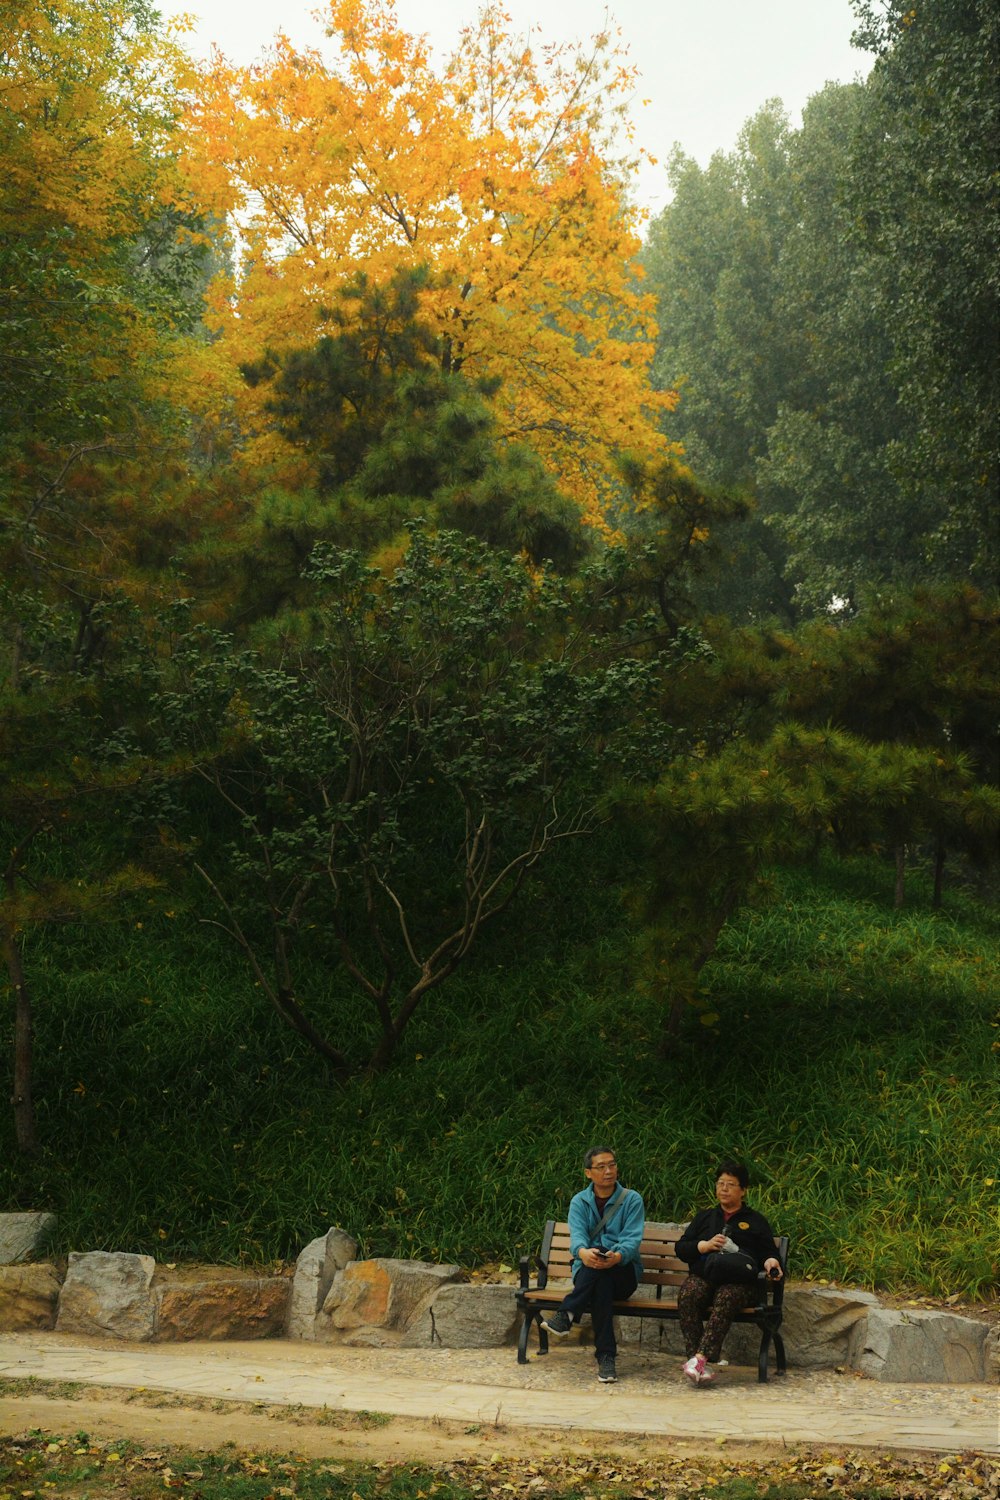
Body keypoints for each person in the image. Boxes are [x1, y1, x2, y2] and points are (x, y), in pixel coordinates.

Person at [540, 1145, 645, 1383]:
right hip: (591, 1271)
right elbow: (577, 1237)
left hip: (623, 1273)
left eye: (612, 1165)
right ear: (588, 1173)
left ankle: (567, 1313)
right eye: (601, 1167)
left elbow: (631, 1239)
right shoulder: (580, 1201)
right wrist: (583, 1252)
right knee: (600, 1285)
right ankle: (606, 1359)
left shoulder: (632, 1199)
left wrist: (615, 1257)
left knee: (604, 1270)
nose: (608, 1171)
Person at [675, 1159, 783, 1386]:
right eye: (720, 1183)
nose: (723, 1189)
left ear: (743, 1190)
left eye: (730, 1184)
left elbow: (769, 1253)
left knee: (727, 1295)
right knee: (689, 1293)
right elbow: (682, 1248)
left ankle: (700, 1358)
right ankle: (697, 1362)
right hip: (707, 1276)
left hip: (741, 1283)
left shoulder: (755, 1221)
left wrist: (772, 1263)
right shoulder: (705, 1217)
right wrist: (702, 1246)